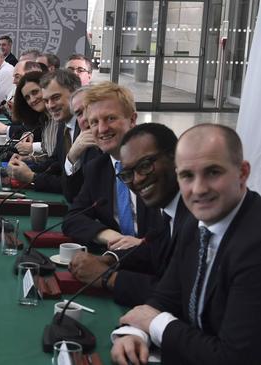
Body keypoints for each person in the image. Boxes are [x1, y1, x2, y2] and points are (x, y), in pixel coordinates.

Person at [111, 124, 261, 365]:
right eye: (187, 176)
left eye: (213, 172)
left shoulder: (254, 246)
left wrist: (155, 324)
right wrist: (135, 333)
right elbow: (167, 296)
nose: (199, 189)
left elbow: (234, 357)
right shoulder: (195, 223)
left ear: (242, 173)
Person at [69, 123, 191, 307]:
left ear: (175, 157)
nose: (138, 179)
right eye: (127, 174)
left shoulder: (198, 215)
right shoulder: (169, 209)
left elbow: (181, 296)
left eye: (145, 165)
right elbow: (154, 251)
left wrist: (108, 277)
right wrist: (109, 259)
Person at [62, 82, 159, 249]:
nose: (102, 129)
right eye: (94, 122)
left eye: (111, 118)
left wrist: (142, 245)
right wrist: (112, 237)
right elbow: (73, 219)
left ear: (133, 119)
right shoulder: (97, 168)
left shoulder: (158, 165)